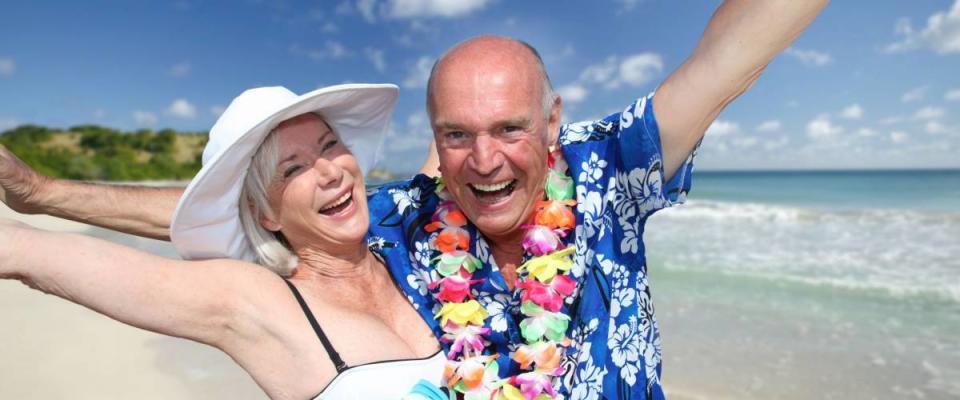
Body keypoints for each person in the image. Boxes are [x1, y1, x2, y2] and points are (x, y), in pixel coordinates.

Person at [0, 1, 830, 398]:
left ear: (553, 123)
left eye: (509, 128)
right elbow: (222, 221)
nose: (485, 160)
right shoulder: (408, 220)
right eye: (457, 135)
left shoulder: (608, 167)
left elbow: (727, 61)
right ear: (436, 139)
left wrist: (42, 196)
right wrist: (44, 195)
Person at [0, 84, 446, 400]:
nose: (330, 171)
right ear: (264, 214)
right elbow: (26, 252)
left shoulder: (415, 231)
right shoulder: (257, 301)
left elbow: (462, 132)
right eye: (292, 169)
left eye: (330, 145)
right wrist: (34, 191)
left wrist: (43, 192)